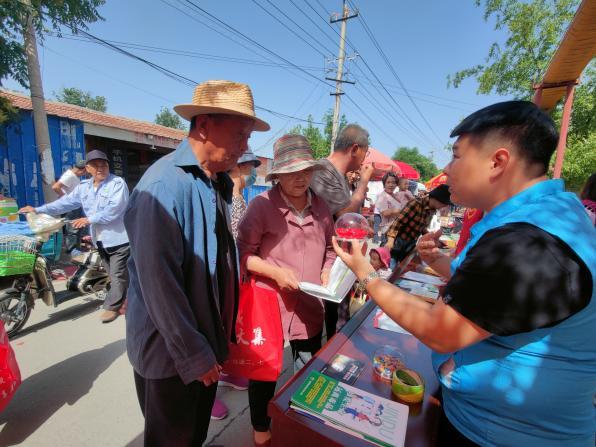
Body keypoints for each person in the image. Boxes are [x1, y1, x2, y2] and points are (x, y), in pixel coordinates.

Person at [333, 101, 596, 446]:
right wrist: (440, 263)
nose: (446, 168)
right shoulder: (540, 219)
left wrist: (366, 273)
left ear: (498, 162)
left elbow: (441, 332)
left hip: (505, 435)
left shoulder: (529, 242)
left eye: (457, 155)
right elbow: (484, 292)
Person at [124, 80, 269, 446]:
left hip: (203, 346)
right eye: (240, 134)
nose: (246, 146)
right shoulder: (163, 187)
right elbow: (160, 287)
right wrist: (195, 354)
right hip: (174, 355)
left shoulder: (214, 181)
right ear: (204, 125)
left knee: (193, 436)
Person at [237, 134, 336, 447]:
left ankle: (299, 419)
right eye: (291, 172)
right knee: (264, 370)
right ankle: (261, 425)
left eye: (305, 170)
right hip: (270, 306)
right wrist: (275, 273)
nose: (300, 177)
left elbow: (332, 249)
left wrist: (327, 268)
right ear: (277, 174)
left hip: (309, 306)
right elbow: (241, 256)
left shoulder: (321, 207)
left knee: (306, 367)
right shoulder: (261, 206)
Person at [19, 150, 130, 323]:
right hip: (99, 239)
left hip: (120, 239)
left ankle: (112, 307)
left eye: (104, 164)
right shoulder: (84, 187)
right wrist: (38, 209)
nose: (101, 168)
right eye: (96, 165)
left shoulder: (117, 183)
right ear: (88, 168)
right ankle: (131, 299)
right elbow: (64, 203)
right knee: (115, 276)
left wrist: (88, 219)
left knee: (118, 275)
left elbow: (115, 209)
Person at [209, 150, 261, 421]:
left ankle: (228, 373)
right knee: (215, 330)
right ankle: (207, 395)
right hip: (220, 277)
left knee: (231, 328)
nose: (254, 174)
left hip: (233, 276)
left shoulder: (239, 197)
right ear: (239, 168)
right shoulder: (229, 197)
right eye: (252, 167)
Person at [310, 124, 374, 339]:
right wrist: (364, 182)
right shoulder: (322, 172)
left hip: (338, 261)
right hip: (324, 263)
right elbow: (345, 214)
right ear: (355, 148)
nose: (366, 157)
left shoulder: (339, 175)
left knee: (338, 322)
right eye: (366, 150)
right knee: (332, 325)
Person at [384, 184, 451, 263]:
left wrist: (433, 239)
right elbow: (398, 223)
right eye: (444, 204)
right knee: (383, 268)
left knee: (403, 269)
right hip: (396, 242)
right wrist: (390, 241)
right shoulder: (416, 203)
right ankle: (369, 275)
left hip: (409, 244)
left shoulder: (431, 210)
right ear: (437, 199)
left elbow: (421, 227)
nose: (444, 206)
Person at [52, 160, 88, 255]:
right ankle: (71, 251)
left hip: (75, 206)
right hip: (71, 208)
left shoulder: (73, 176)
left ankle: (76, 249)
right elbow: (56, 187)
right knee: (72, 229)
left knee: (78, 227)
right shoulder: (69, 175)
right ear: (83, 170)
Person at [374, 172, 409, 245]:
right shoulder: (382, 196)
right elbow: (385, 213)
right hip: (388, 231)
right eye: (388, 182)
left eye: (393, 182)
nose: (391, 185)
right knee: (386, 253)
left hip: (397, 230)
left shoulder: (396, 196)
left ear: (396, 184)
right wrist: (402, 210)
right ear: (384, 184)